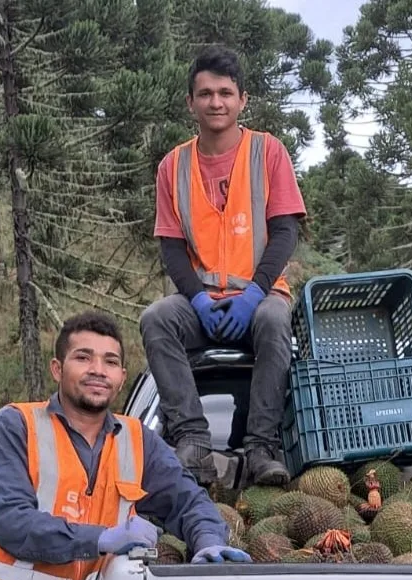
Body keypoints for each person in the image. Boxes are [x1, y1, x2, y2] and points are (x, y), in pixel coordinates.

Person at [0, 311, 250, 580]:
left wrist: (207, 539)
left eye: (110, 361)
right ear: (57, 369)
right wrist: (102, 538)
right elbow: (12, 523)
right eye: (83, 357)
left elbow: (186, 499)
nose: (98, 370)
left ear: (122, 377)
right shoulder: (15, 427)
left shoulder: (139, 441)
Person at [139, 44, 306, 487]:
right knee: (156, 318)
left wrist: (255, 292)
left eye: (226, 93)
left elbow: (285, 232)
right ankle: (192, 439)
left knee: (274, 321)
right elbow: (172, 247)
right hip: (200, 301)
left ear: (242, 100)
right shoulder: (172, 167)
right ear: (190, 102)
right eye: (207, 93)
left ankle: (261, 447)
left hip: (261, 292)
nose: (217, 102)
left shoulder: (268, 152)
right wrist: (196, 296)